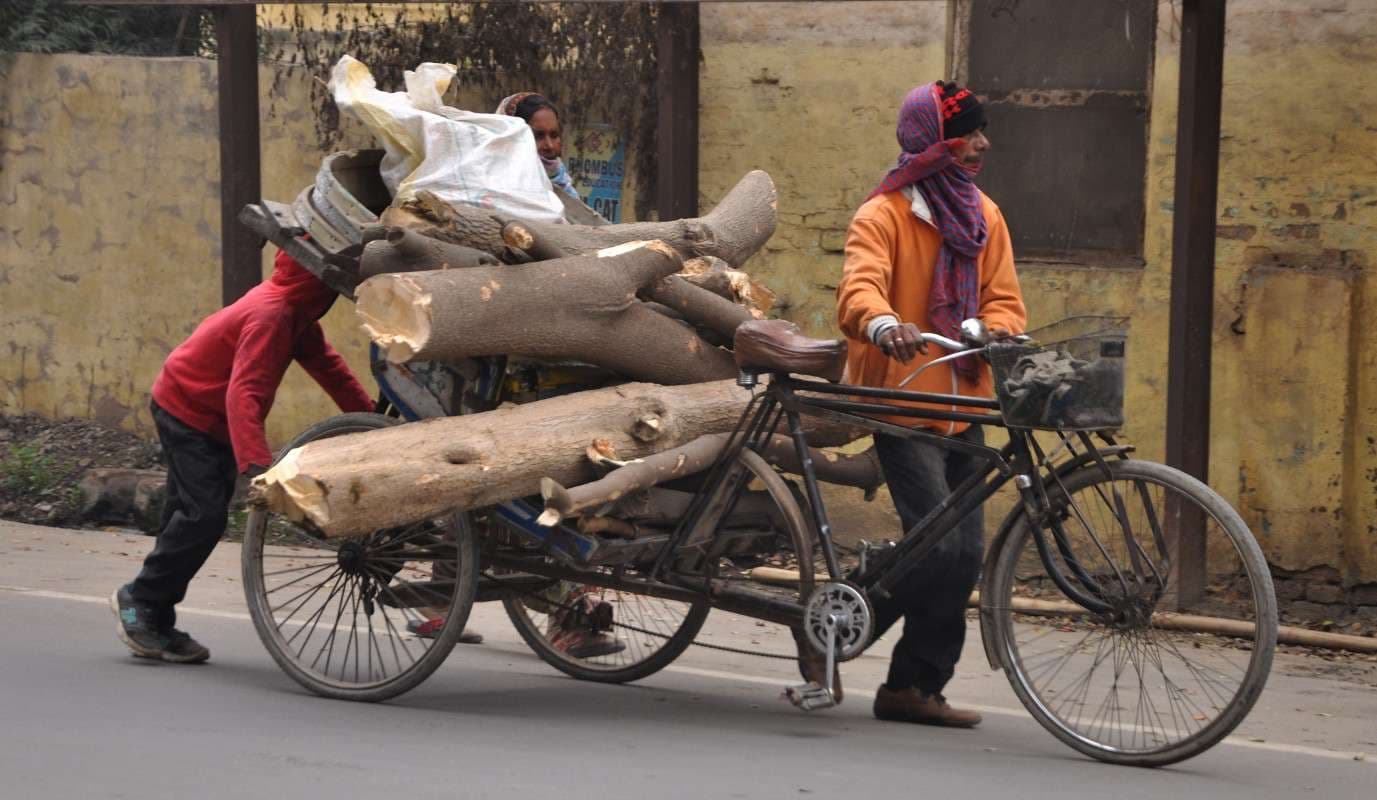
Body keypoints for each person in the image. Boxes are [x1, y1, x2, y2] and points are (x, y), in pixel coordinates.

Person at [835, 81, 1026, 727]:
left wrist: (994, 327)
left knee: (965, 553)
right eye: (966, 132)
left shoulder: (983, 216)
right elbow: (859, 291)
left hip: (964, 402)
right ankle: (840, 625)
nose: (981, 144)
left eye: (981, 131)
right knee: (938, 545)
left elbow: (1003, 299)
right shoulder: (883, 214)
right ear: (930, 139)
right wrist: (885, 324)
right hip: (901, 398)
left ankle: (913, 687)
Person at [112, 251, 412, 661]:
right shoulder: (273, 315)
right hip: (186, 408)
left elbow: (329, 368)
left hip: (207, 413)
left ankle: (153, 614)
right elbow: (243, 393)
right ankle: (140, 599)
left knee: (189, 514)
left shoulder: (294, 313)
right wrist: (256, 467)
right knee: (203, 515)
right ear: (319, 282)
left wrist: (370, 419)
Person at [496, 91, 582, 202]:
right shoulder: (495, 186)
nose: (549, 145)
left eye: (554, 135)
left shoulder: (566, 189)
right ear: (513, 137)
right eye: (538, 136)